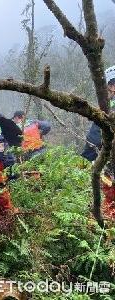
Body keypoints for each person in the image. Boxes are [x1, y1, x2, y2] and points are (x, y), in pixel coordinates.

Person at [81, 65, 115, 219]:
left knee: (109, 198)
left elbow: (95, 137)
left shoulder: (110, 108)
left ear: (111, 86)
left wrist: (85, 159)